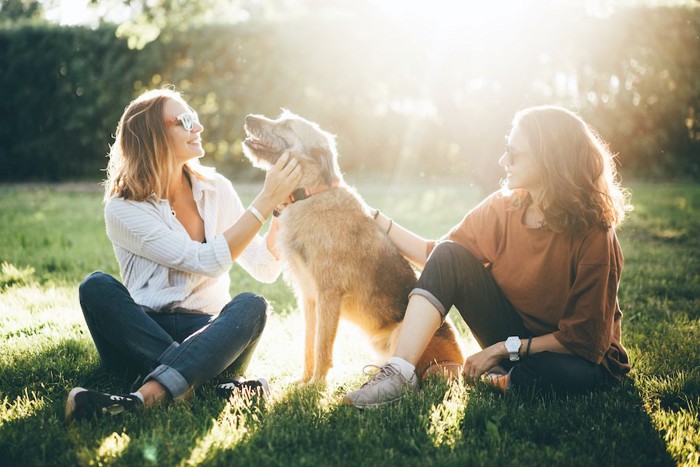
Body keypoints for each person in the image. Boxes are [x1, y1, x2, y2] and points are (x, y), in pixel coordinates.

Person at [344, 105, 633, 408]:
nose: (502, 160)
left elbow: (583, 341)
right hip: (513, 338)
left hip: (577, 356)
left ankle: (501, 378)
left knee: (562, 373)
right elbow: (438, 259)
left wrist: (499, 350)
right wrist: (374, 216)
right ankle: (399, 373)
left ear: (549, 160)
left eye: (513, 152)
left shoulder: (596, 235)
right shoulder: (504, 207)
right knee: (450, 253)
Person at [64, 88, 302, 424]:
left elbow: (264, 266)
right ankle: (207, 383)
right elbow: (207, 260)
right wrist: (263, 202)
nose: (198, 128)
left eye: (196, 119)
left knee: (252, 305)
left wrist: (278, 205)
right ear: (153, 136)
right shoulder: (123, 208)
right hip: (141, 333)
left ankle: (143, 397)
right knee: (96, 287)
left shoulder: (218, 188)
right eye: (186, 121)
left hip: (210, 332)